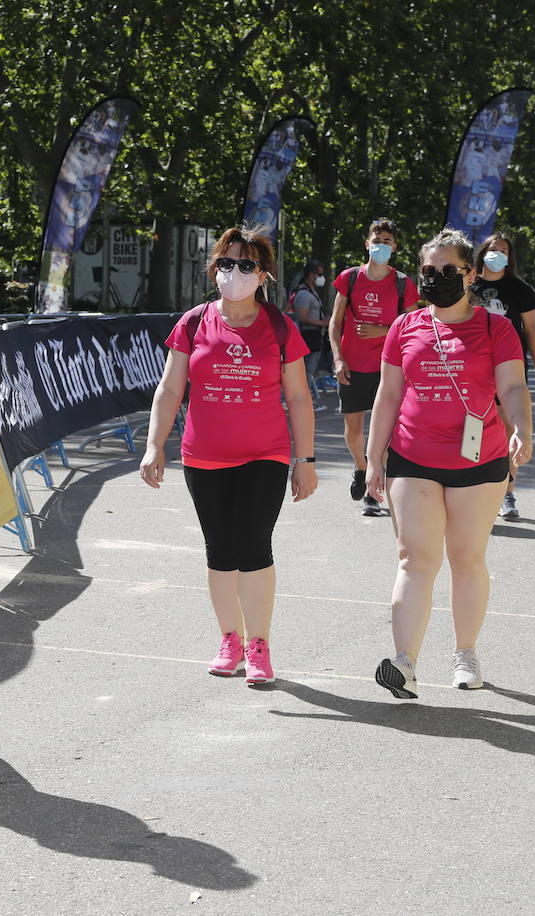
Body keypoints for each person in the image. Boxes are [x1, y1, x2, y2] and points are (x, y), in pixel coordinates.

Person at [140, 225, 317, 687]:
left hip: (266, 455)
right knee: (219, 550)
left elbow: (298, 397)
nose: (234, 273)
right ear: (213, 268)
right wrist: (154, 444)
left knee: (254, 543)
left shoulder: (280, 327)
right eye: (226, 263)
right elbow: (171, 387)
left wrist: (306, 460)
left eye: (246, 265)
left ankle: (259, 645)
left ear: (263, 276)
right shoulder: (195, 322)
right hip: (204, 456)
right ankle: (230, 640)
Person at [365, 228, 532, 699]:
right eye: (429, 272)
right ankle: (404, 662)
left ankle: (465, 652)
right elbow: (389, 394)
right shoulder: (404, 327)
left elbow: (514, 388)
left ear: (471, 273)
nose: (437, 279)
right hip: (412, 457)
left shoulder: (495, 327)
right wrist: (372, 457)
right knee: (415, 558)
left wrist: (522, 426)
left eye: (448, 271)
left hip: (479, 461)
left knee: (466, 557)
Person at [329, 218, 420, 516]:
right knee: (353, 432)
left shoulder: (403, 283)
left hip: (389, 369)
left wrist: (382, 332)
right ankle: (361, 467)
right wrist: (338, 358)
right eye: (376, 240)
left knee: (385, 432)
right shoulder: (350, 278)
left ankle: (373, 490)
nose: (381, 246)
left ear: (395, 247)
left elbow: (413, 325)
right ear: (367, 243)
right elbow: (335, 323)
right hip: (353, 366)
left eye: (387, 242)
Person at [471, 232, 535, 520]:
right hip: (472, 367)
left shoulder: (521, 290)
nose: (498, 254)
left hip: (509, 367)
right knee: (474, 428)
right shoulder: (467, 285)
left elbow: (531, 332)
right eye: (493, 249)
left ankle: (507, 492)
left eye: (503, 250)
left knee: (508, 430)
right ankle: (474, 489)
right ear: (482, 253)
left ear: (510, 257)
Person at [288, 260, 330, 411]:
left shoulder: (311, 292)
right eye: (319, 274)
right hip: (309, 337)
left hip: (314, 337)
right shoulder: (304, 294)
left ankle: (305, 402)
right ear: (311, 275)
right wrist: (322, 323)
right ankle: (304, 403)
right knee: (306, 371)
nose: (321, 277)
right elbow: (303, 317)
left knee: (308, 371)